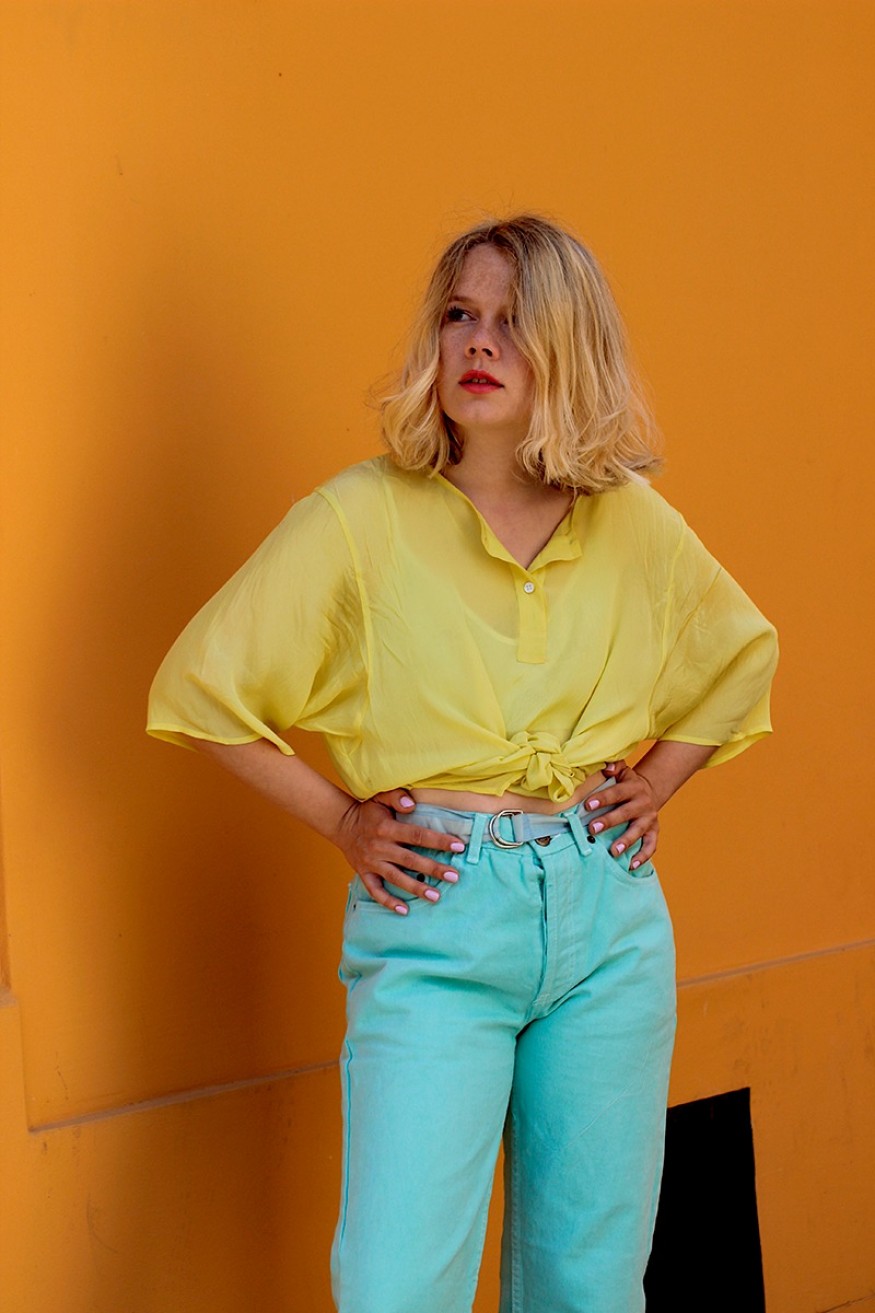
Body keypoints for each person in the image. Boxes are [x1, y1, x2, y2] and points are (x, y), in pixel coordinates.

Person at [147, 215, 777, 1313]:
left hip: (606, 920)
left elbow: (740, 654)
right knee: (396, 1282)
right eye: (458, 315)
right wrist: (344, 821)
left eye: (513, 321)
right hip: (437, 912)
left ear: (569, 347)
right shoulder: (358, 519)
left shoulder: (630, 522)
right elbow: (202, 690)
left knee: (589, 1280)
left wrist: (657, 779)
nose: (478, 343)